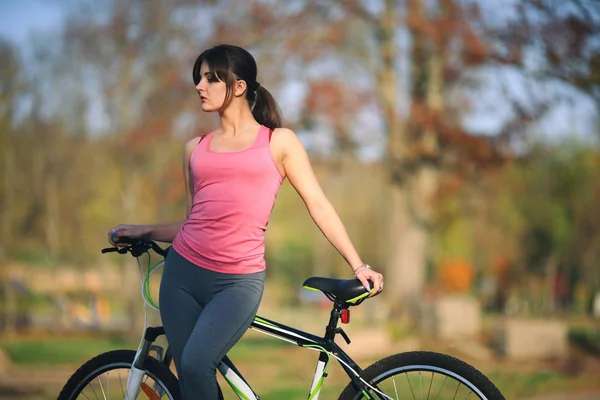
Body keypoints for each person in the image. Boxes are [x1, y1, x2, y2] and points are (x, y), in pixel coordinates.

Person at [108, 44, 384, 399]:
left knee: (194, 363)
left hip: (236, 284)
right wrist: (141, 229)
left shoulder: (278, 142)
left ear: (238, 86)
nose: (199, 86)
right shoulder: (195, 148)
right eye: (198, 78)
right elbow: (194, 221)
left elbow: (318, 204)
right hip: (181, 276)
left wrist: (357, 263)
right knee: (192, 381)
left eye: (210, 78)